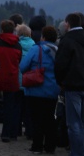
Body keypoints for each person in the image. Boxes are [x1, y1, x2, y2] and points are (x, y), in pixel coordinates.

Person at [54, 12, 84, 156]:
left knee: (74, 124)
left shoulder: (67, 41)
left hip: (72, 86)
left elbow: (60, 65)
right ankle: (83, 151)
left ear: (68, 23)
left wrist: (61, 82)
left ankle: (77, 153)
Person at [20, 25, 60, 154]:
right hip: (52, 90)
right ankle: (50, 146)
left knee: (36, 119)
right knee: (49, 118)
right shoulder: (58, 50)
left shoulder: (36, 49)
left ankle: (37, 146)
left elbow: (23, 66)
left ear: (43, 36)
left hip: (35, 90)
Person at [0, 19, 22, 143]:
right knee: (10, 107)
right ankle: (8, 133)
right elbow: (18, 61)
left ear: (2, 29)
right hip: (12, 77)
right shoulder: (17, 45)